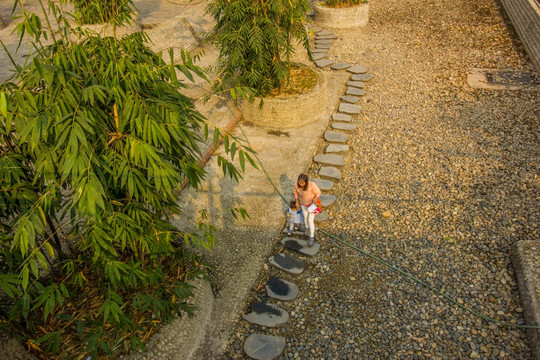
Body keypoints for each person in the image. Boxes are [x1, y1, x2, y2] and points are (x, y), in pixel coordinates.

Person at [294, 174, 321, 246]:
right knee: (305, 218)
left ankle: (311, 237)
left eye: (303, 183)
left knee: (310, 220)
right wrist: (296, 201)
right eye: (299, 182)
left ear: (306, 182)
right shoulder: (296, 185)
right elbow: (296, 193)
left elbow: (318, 192)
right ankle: (306, 228)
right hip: (303, 205)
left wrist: (316, 198)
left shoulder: (312, 185)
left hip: (312, 206)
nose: (301, 184)